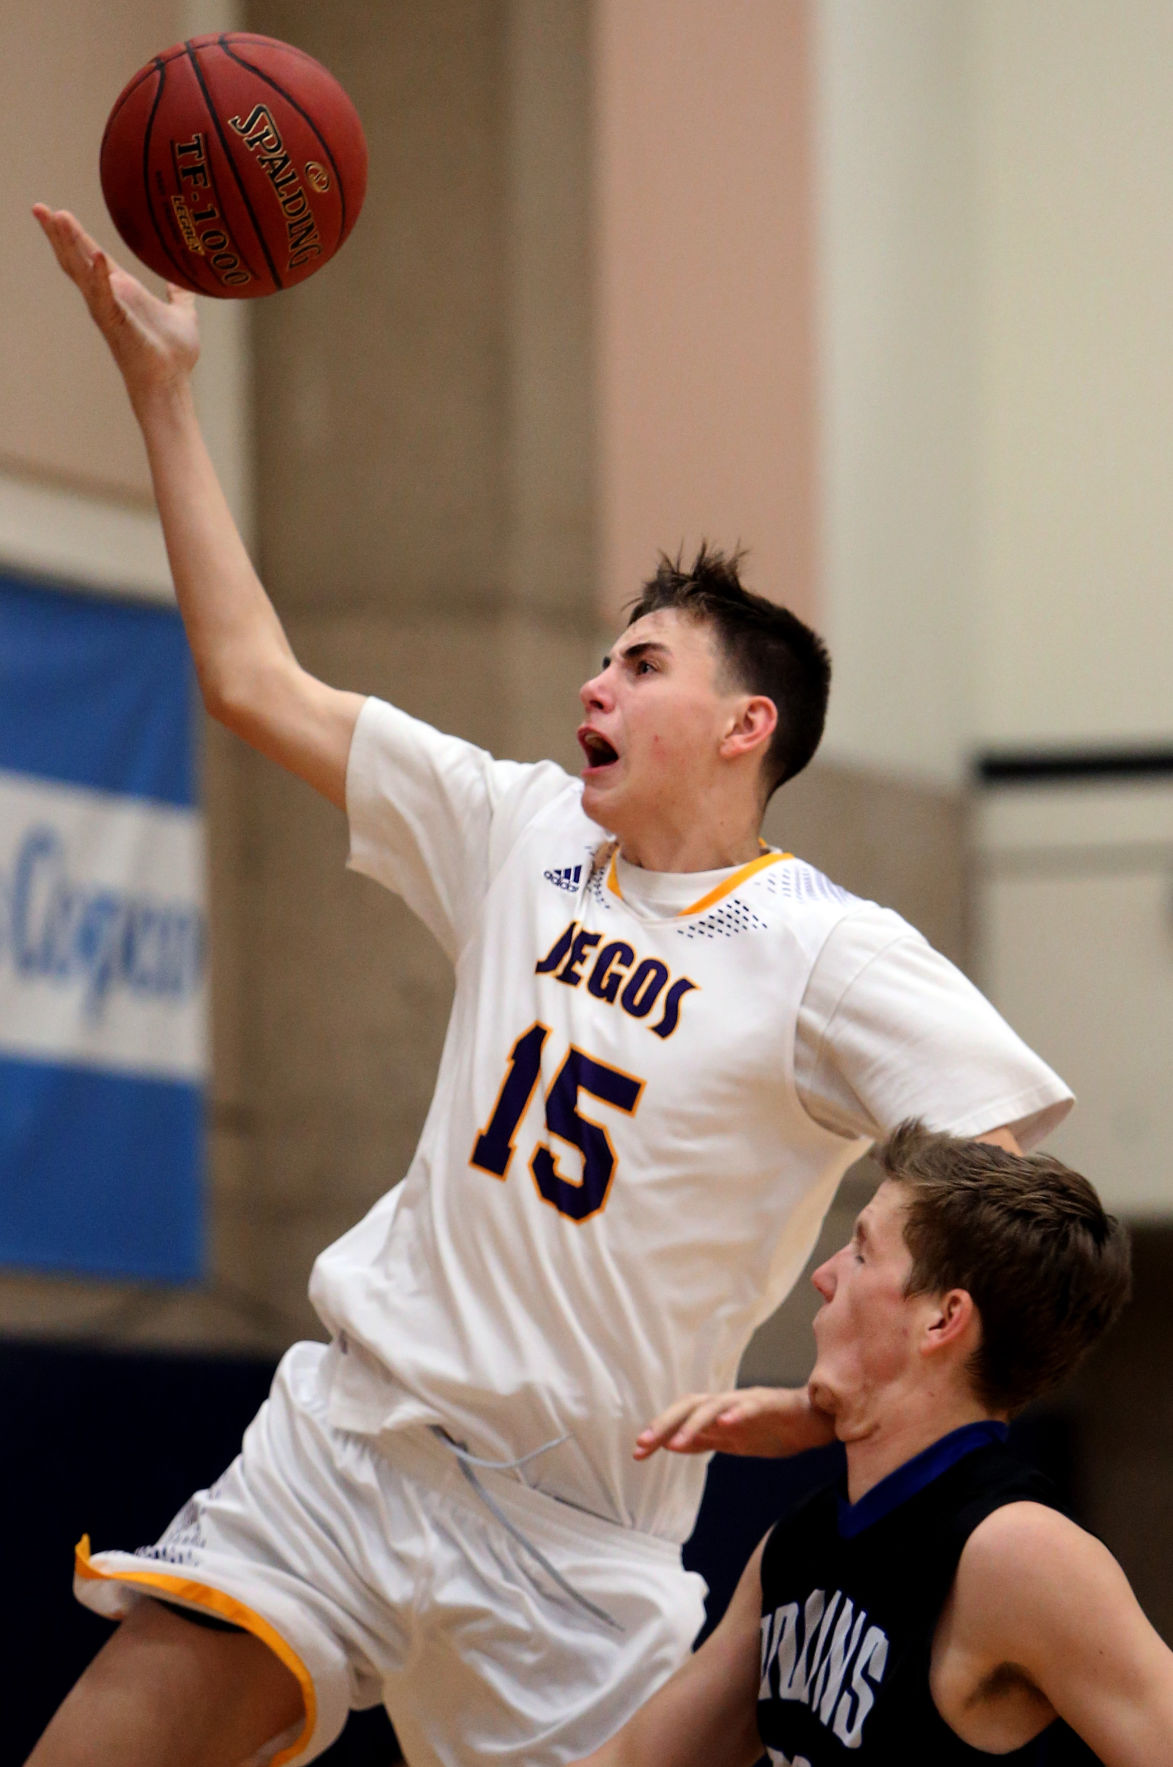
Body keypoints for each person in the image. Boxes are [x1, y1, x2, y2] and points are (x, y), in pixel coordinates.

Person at [30, 207, 1074, 1767]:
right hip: (356, 1443)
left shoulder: (825, 948)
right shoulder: (511, 822)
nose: (596, 683)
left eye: (644, 663)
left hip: (576, 1535)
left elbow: (1015, 1163)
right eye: (601, 657)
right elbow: (252, 678)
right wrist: (162, 387)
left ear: (747, 726)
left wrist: (855, 1384)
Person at [578, 1123, 1173, 1766]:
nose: (825, 1276)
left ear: (942, 1320)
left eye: (860, 1251)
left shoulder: (1018, 1551)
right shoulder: (799, 1542)